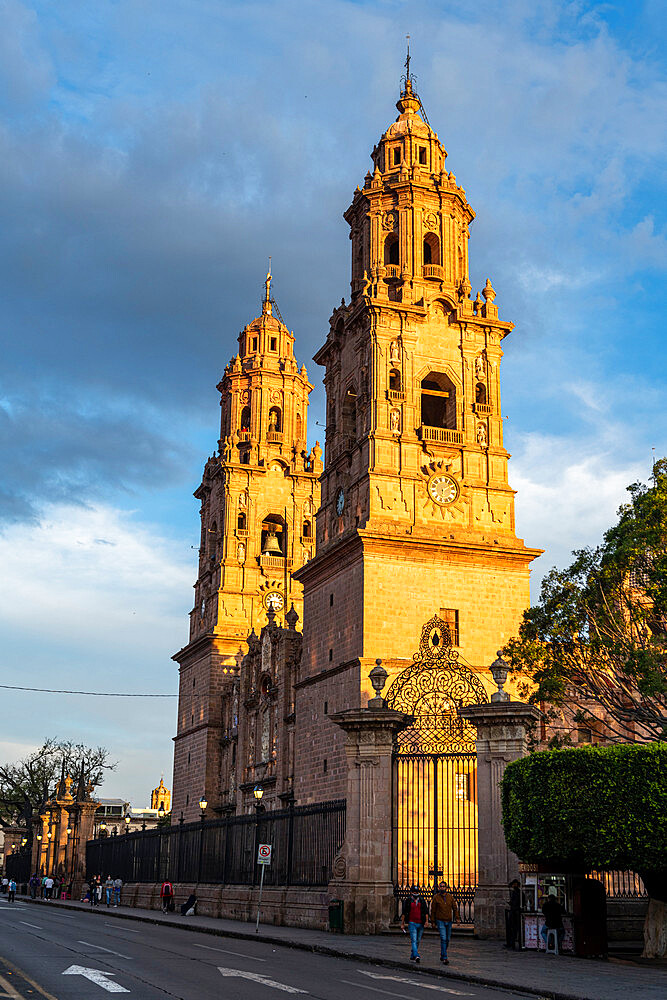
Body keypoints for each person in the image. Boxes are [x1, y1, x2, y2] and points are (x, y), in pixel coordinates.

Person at [430, 881, 460, 964]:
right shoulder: (436, 897)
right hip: (440, 921)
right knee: (443, 938)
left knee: (447, 939)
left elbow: (455, 908)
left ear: (446, 888)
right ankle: (445, 957)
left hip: (449, 920)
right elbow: (433, 910)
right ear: (439, 888)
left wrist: (457, 918)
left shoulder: (450, 897)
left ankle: (443, 954)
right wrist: (433, 921)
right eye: (441, 887)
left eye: (443, 886)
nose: (442, 888)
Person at [400, 885, 429, 963]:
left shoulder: (422, 900)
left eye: (416, 892)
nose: (415, 893)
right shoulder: (408, 900)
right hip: (412, 922)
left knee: (418, 940)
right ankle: (416, 955)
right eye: (414, 892)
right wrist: (402, 924)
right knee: (414, 940)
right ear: (411, 892)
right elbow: (404, 913)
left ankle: (413, 955)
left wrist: (426, 921)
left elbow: (426, 911)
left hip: (420, 923)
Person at [541, 886, 565, 952]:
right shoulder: (558, 905)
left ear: (548, 899)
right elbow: (563, 911)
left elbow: (543, 912)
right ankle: (557, 943)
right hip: (558, 924)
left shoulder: (546, 905)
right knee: (562, 932)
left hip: (548, 924)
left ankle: (548, 943)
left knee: (543, 932)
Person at [505, 878, 522, 950]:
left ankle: (512, 943)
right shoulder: (517, 892)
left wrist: (511, 903)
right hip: (515, 911)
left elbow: (515, 902)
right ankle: (511, 943)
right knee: (513, 929)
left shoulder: (516, 892)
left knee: (513, 929)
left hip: (515, 912)